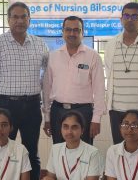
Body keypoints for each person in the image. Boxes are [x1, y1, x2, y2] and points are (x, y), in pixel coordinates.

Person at [0, 2, 49, 180]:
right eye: (15, 17)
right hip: (6, 106)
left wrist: (46, 110)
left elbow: (48, 78)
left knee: (31, 153)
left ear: (30, 19)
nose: (20, 21)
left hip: (32, 106)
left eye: (24, 16)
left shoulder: (40, 44)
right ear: (8, 20)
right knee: (3, 151)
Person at [102, 2, 138, 142]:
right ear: (121, 19)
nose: (130, 19)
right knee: (119, 148)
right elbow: (109, 72)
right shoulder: (111, 45)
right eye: (126, 16)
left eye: (135, 16)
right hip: (116, 109)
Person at [42, 16, 105, 145]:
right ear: (63, 32)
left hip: (83, 112)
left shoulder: (93, 56)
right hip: (58, 111)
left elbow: (99, 90)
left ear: (83, 33)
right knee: (59, 151)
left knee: (84, 152)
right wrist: (47, 117)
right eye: (68, 30)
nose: (72, 33)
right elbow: (47, 88)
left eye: (76, 30)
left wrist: (96, 119)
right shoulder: (53, 56)